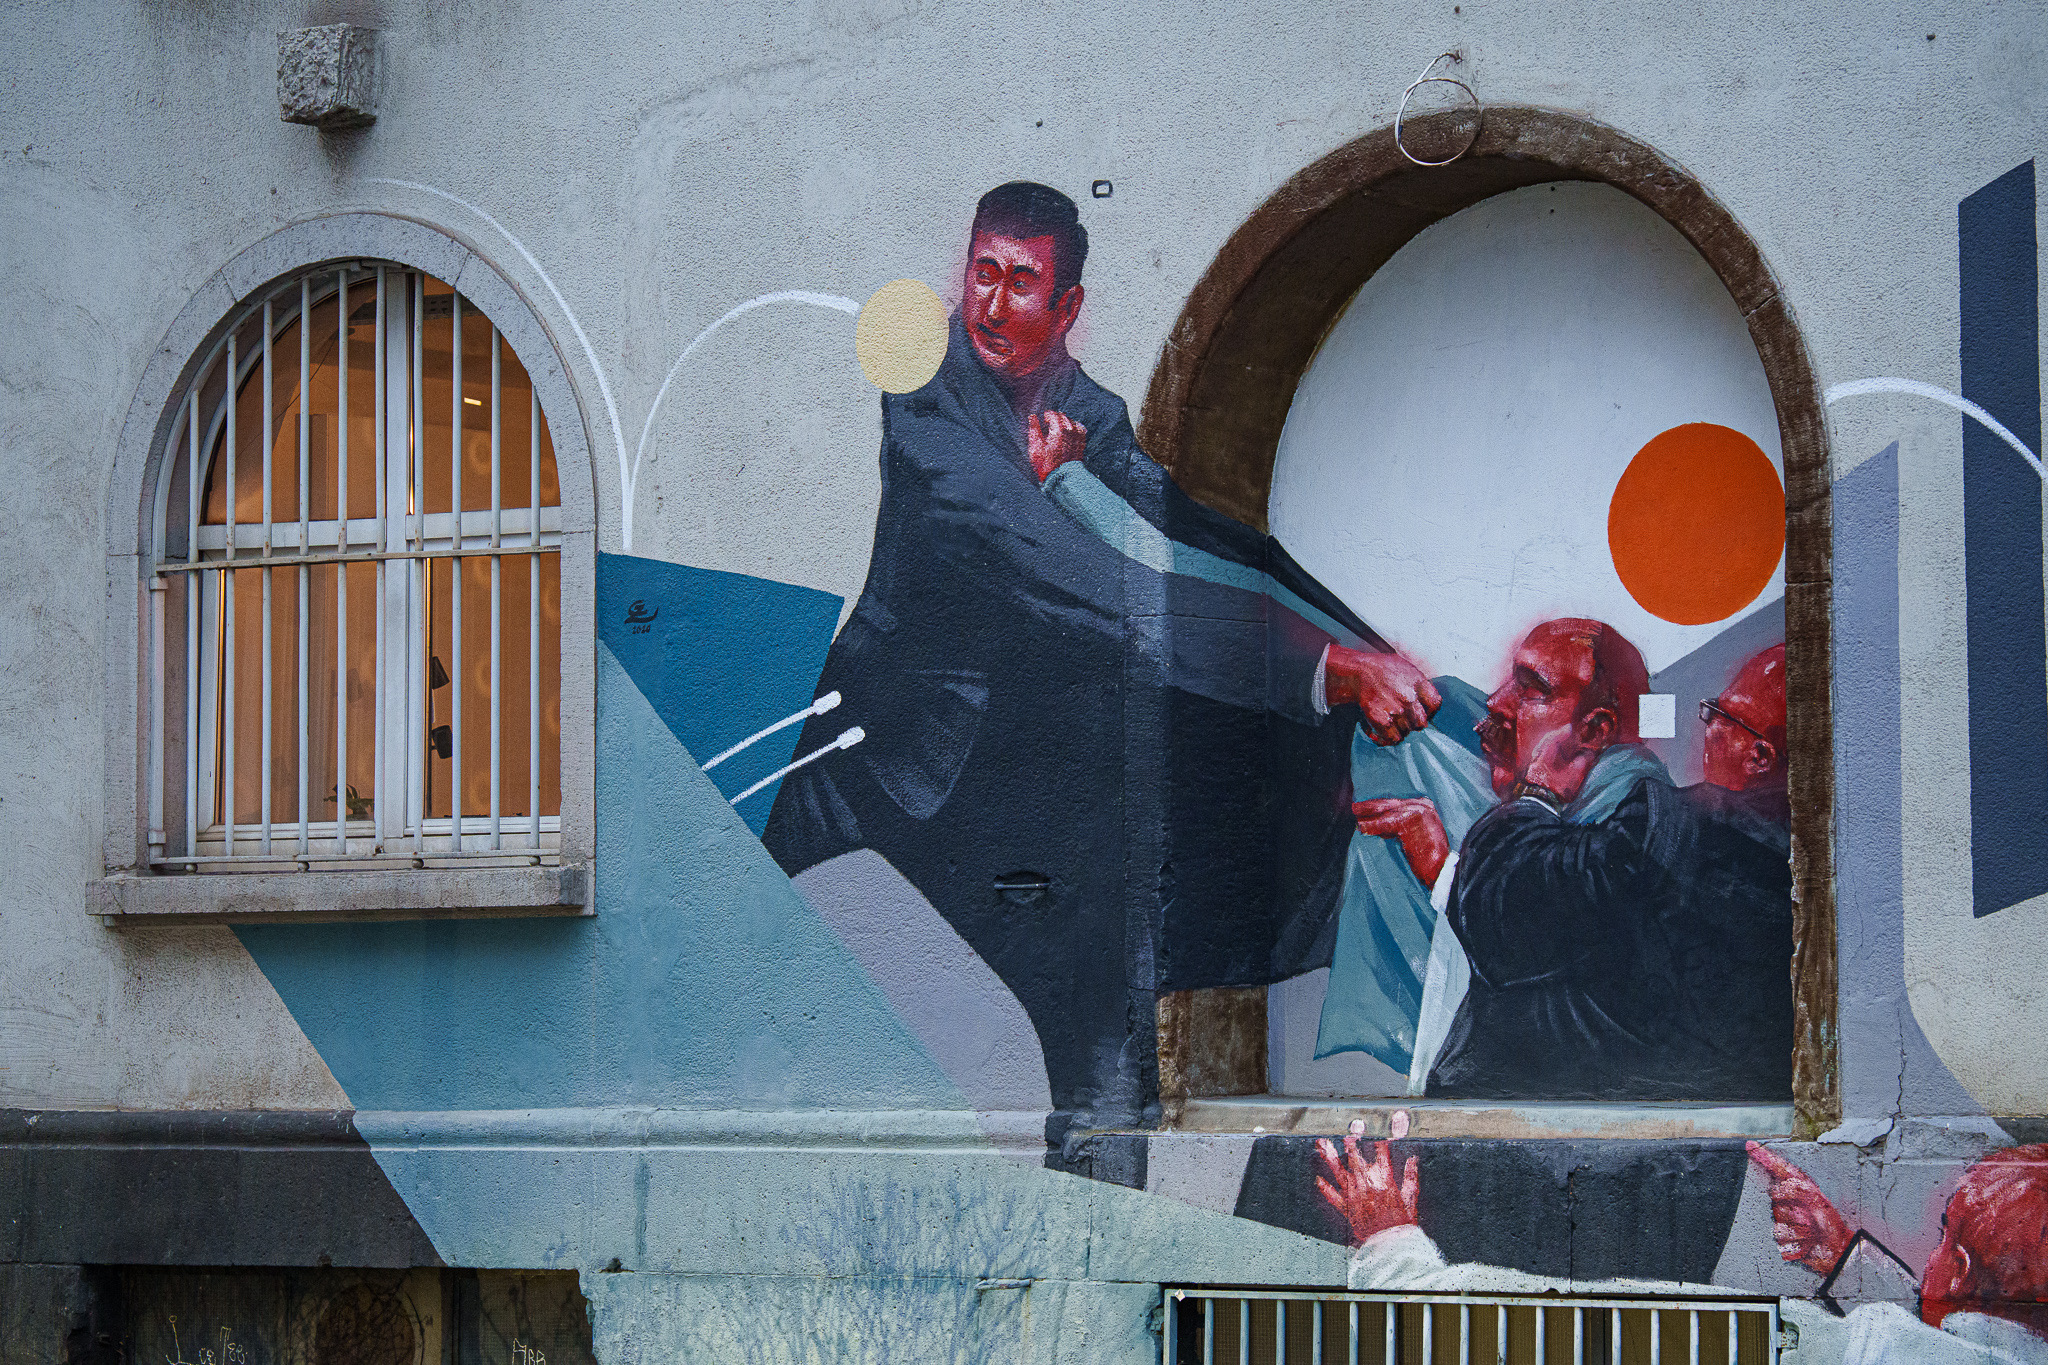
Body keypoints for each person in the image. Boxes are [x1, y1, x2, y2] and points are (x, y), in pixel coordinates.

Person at [762, 182, 1434, 1139]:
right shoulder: (927, 413)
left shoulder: (1089, 415)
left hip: (1037, 784)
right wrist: (1321, 669)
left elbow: (1200, 548)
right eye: (982, 273)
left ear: (1068, 304)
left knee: (1104, 1028)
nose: (991, 304)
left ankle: (1105, 1185)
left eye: (1021, 282)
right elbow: (1094, 585)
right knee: (799, 1001)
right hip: (892, 773)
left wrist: (1352, 643)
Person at [1357, 619, 1793, 1099]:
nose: (1496, 702)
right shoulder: (1770, 861)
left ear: (1596, 728)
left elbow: (1516, 924)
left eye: (1531, 689)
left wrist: (1536, 792)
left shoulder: (1659, 827)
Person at [1750, 1140, 2048, 1363]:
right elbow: (1928, 1335)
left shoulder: (1876, 1345)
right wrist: (1839, 1251)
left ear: (1959, 1268)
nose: (1932, 1258)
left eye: (1943, 1239)